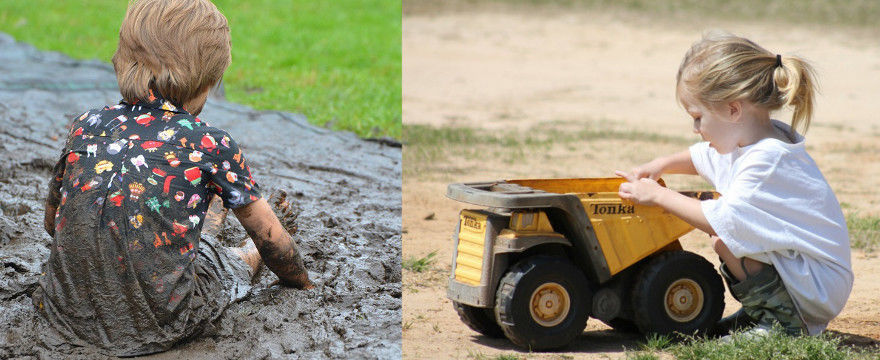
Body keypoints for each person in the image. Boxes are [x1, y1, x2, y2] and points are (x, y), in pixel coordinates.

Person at [34, 0, 313, 356]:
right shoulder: (210, 143)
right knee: (227, 266)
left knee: (157, 227)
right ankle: (232, 236)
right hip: (159, 322)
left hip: (65, 311)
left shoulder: (86, 125)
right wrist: (303, 282)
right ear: (206, 81)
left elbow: (52, 224)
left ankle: (209, 217)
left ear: (123, 59)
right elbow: (273, 243)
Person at [615, 32, 852, 337]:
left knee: (724, 236)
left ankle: (781, 324)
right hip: (809, 276)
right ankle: (761, 312)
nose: (695, 128)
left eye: (698, 117)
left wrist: (659, 195)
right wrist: (659, 165)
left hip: (817, 285)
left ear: (733, 109)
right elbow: (702, 157)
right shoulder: (754, 140)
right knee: (726, 240)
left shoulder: (767, 160)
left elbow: (722, 218)